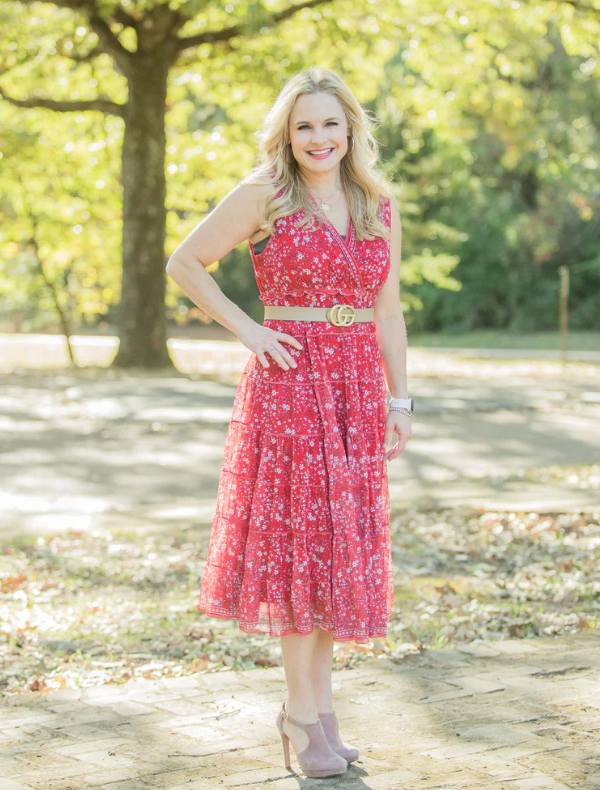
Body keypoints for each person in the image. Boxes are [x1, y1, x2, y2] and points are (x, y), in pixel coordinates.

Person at [166, 66, 412, 779]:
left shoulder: (376, 204)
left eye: (331, 123)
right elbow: (186, 263)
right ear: (287, 132)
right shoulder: (265, 195)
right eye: (304, 125)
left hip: (357, 389)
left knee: (340, 552)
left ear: (351, 129)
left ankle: (321, 713)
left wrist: (401, 400)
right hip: (293, 385)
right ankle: (299, 717)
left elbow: (388, 312)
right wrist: (250, 331)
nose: (319, 137)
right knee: (304, 549)